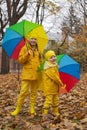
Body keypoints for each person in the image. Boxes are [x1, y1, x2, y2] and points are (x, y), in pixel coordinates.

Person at [11, 34, 42, 116]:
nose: (33, 40)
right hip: (27, 75)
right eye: (32, 38)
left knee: (34, 92)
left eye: (35, 39)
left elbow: (40, 62)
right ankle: (17, 109)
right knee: (23, 92)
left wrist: (41, 68)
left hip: (36, 74)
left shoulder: (38, 50)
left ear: (36, 41)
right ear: (29, 39)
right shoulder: (24, 48)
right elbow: (20, 60)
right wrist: (26, 55)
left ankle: (32, 108)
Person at [42, 50, 66, 120]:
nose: (53, 58)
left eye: (54, 56)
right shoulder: (48, 68)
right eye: (51, 57)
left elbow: (57, 75)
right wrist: (61, 84)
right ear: (48, 59)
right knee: (48, 100)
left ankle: (55, 111)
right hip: (49, 87)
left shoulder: (54, 65)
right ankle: (45, 113)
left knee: (56, 100)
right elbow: (55, 78)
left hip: (54, 87)